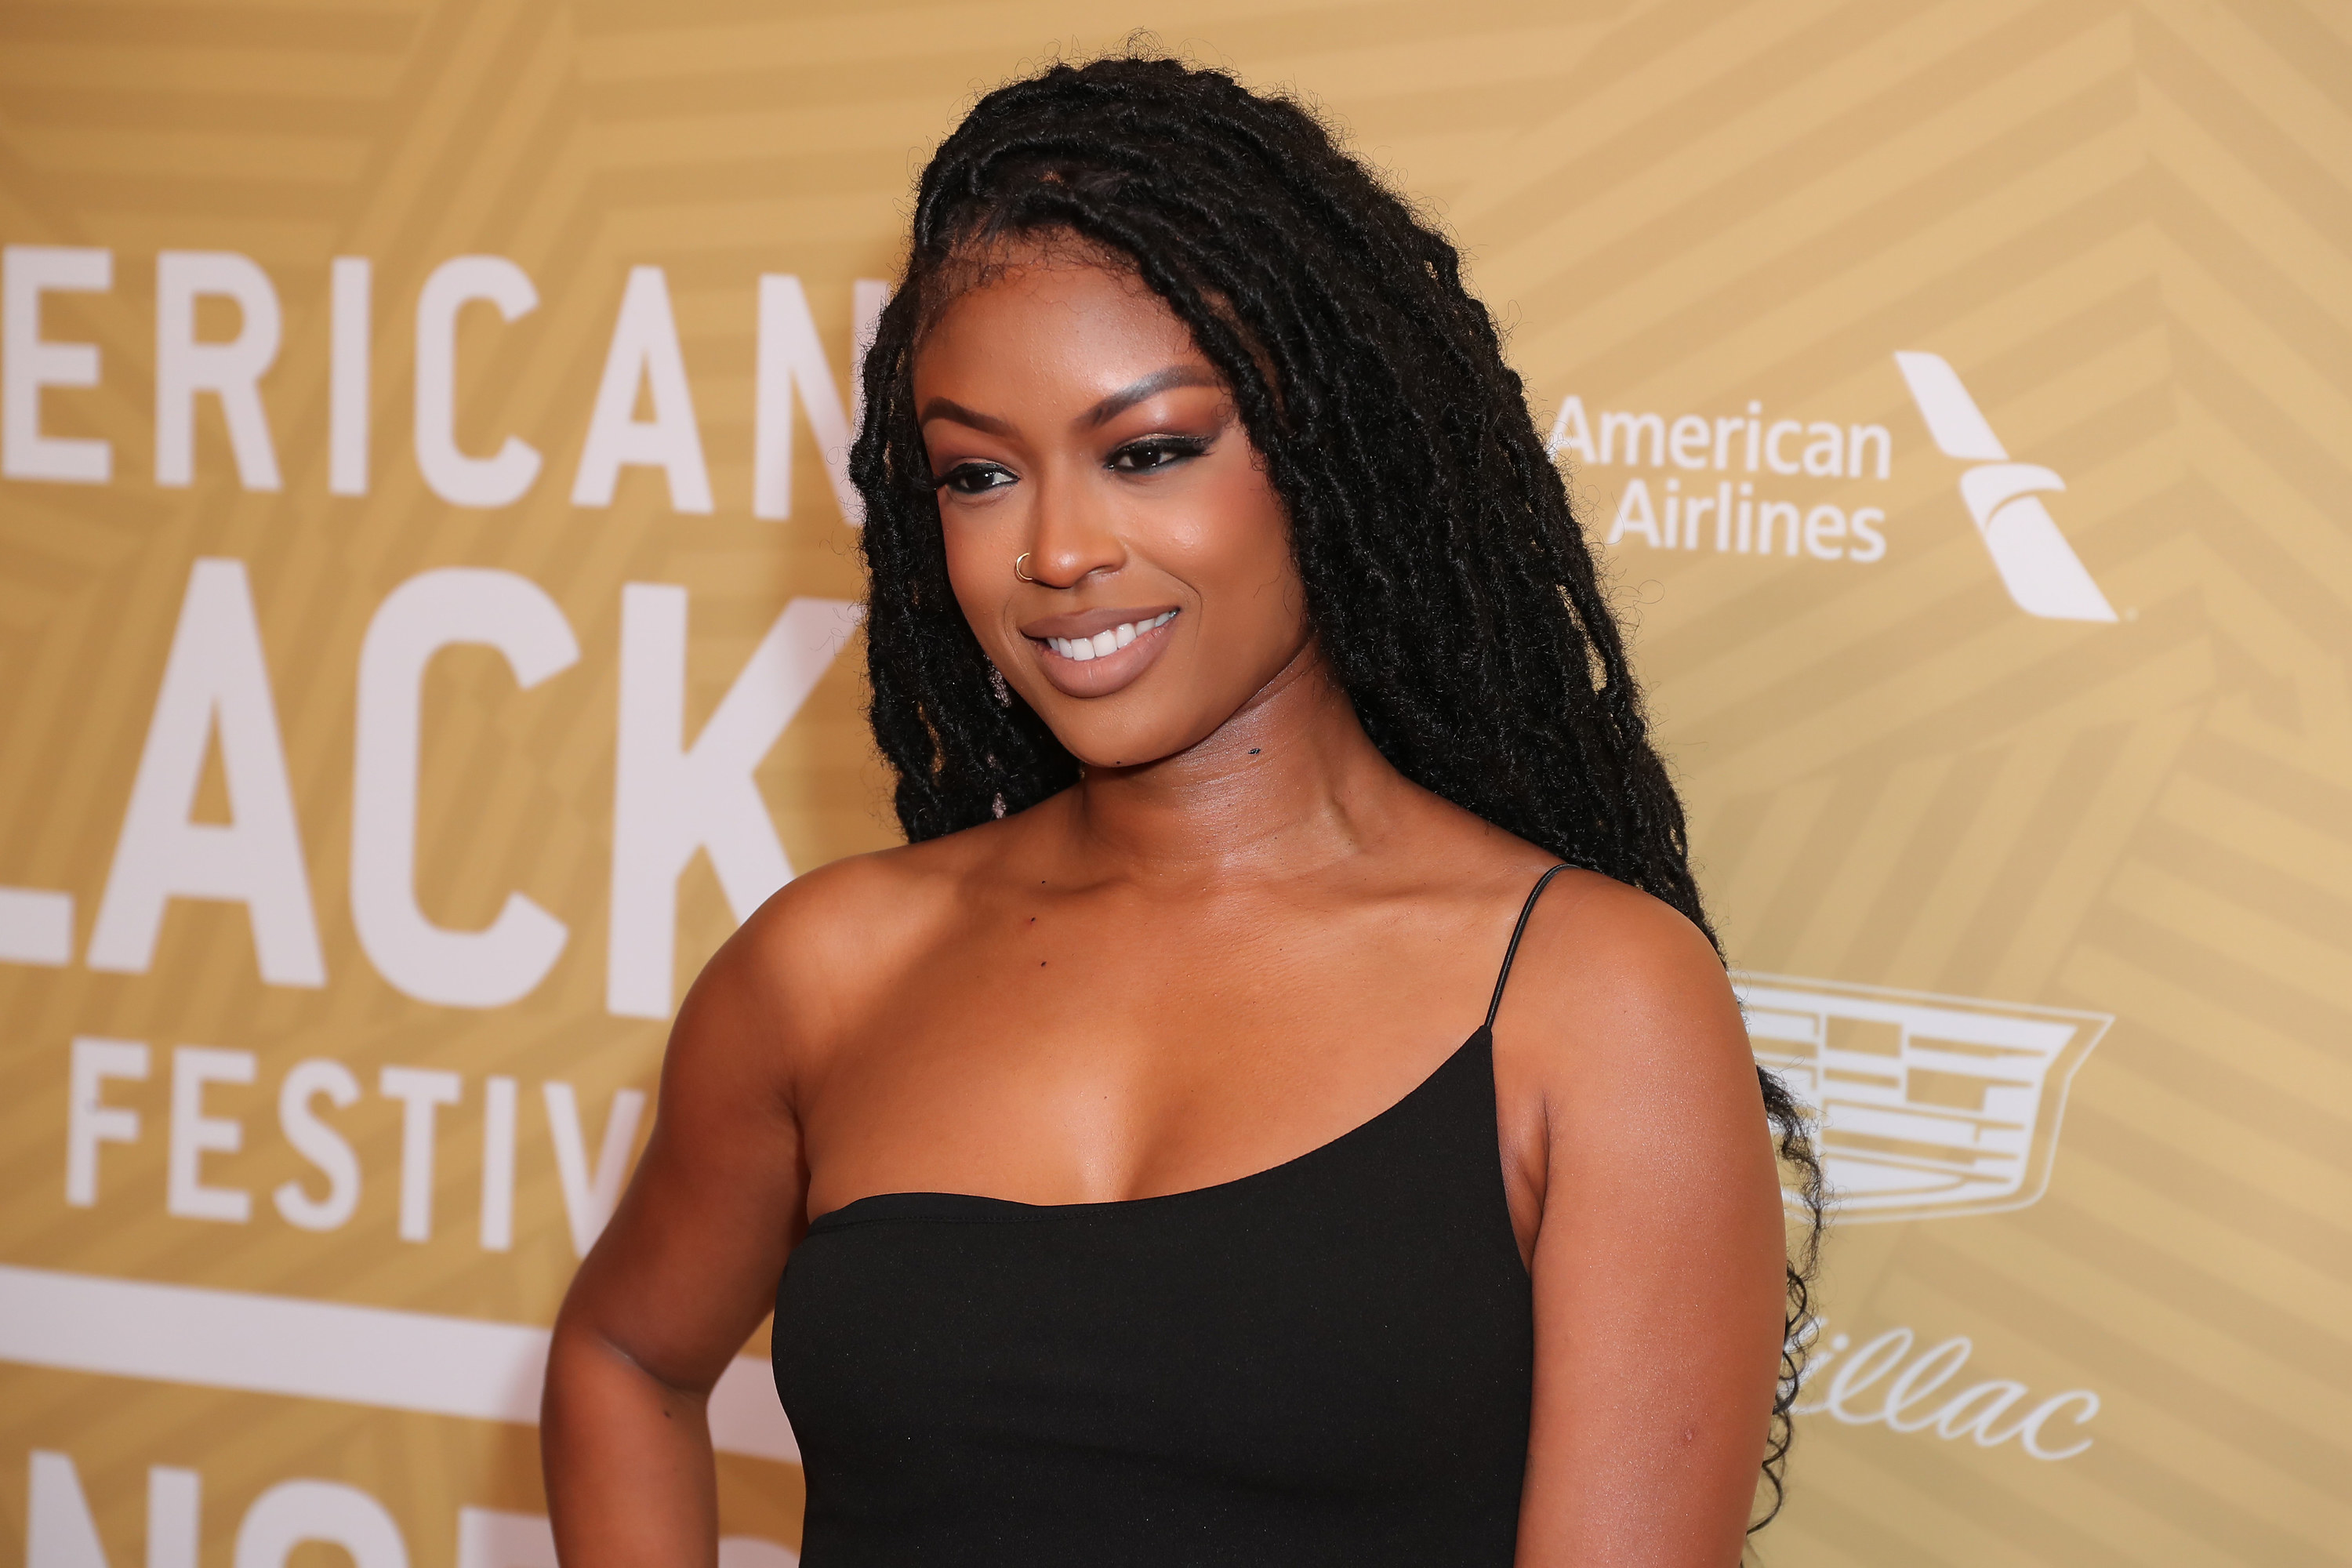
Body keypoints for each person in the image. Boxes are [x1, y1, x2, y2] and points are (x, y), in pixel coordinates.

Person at [543, 53, 1820, 1568]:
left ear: (1332, 452)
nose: (1058, 550)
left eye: (1149, 452)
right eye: (976, 476)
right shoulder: (828, 969)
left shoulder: (1590, 1002)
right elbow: (620, 1359)